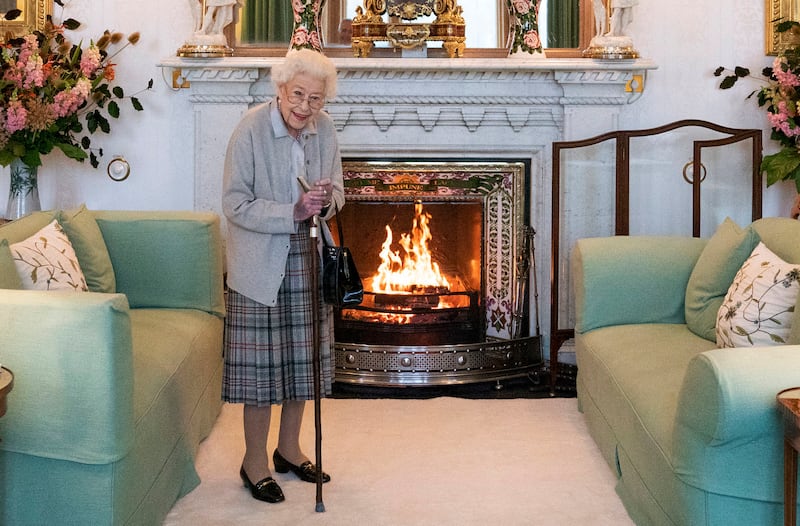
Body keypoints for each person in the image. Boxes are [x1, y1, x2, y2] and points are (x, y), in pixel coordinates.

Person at [221, 48, 343, 504]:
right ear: (280, 89)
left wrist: (325, 200)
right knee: (261, 374)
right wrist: (291, 210)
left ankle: (288, 450)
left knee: (301, 364)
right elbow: (233, 204)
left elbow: (339, 193)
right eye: (298, 95)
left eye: (315, 99)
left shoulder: (324, 129)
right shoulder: (251, 128)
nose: (305, 107)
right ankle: (253, 462)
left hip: (308, 257)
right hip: (259, 263)